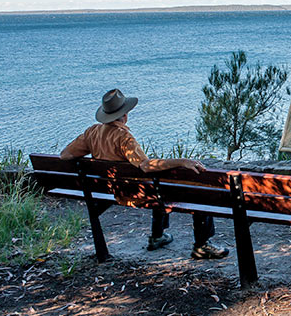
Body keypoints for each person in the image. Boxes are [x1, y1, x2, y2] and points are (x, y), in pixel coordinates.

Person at [60, 88, 229, 259]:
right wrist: (182, 161)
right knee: (199, 193)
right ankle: (202, 245)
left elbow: (65, 155)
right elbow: (146, 166)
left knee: (158, 186)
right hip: (135, 193)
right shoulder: (123, 137)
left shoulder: (92, 133)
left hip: (111, 190)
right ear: (124, 114)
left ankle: (158, 237)